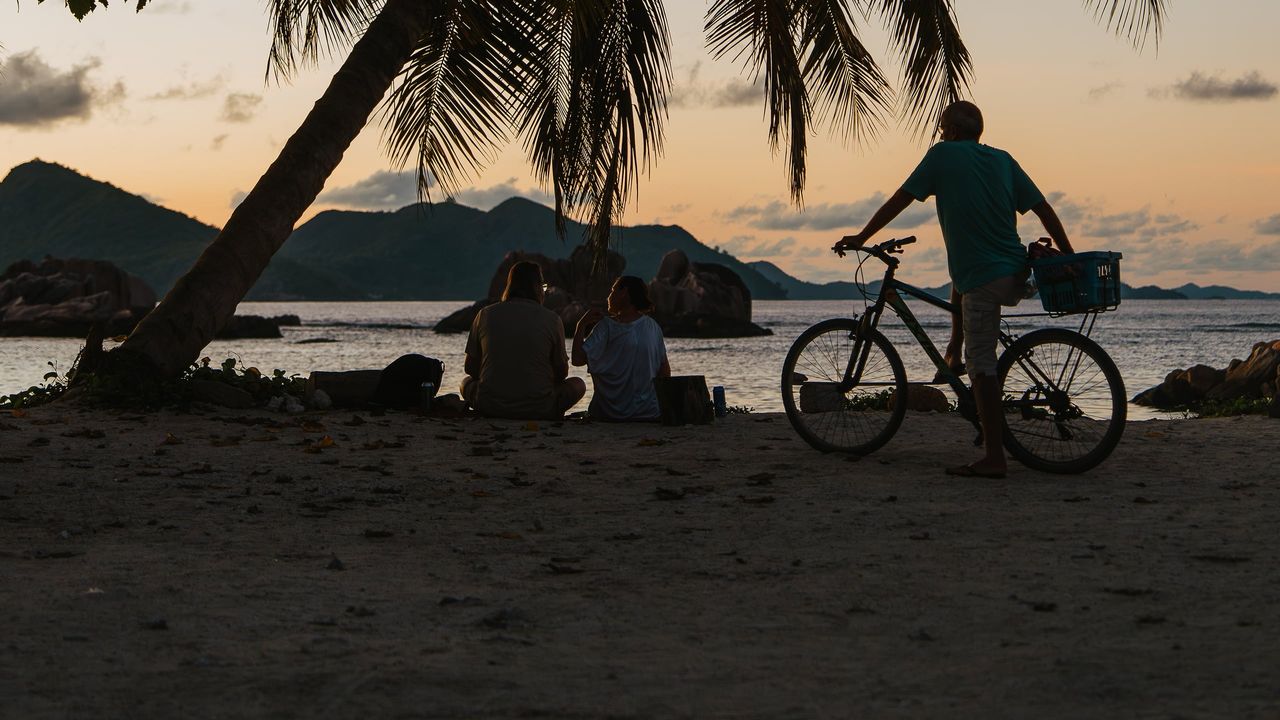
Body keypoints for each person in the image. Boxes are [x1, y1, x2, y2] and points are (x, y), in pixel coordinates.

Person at [833, 100, 1074, 479]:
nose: (941, 134)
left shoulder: (943, 154)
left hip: (984, 278)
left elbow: (901, 198)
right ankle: (952, 353)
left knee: (984, 366)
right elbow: (1043, 208)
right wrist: (1070, 255)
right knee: (957, 284)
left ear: (953, 132)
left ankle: (995, 457)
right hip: (1014, 272)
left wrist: (863, 236)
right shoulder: (1003, 159)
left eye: (943, 128)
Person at [461, 261, 585, 419]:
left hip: (490, 405)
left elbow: (470, 368)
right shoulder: (552, 319)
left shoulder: (485, 314)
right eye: (543, 286)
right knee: (579, 384)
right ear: (537, 287)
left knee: (465, 382)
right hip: (540, 408)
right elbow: (562, 373)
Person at [571, 275, 671, 421]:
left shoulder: (607, 326)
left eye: (612, 291)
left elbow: (577, 360)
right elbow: (664, 371)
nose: (608, 297)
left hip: (608, 414)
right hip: (648, 413)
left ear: (624, 292)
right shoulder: (654, 327)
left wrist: (581, 325)